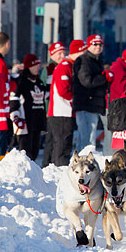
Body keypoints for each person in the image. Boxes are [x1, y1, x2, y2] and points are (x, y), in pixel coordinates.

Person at [46, 39, 86, 167]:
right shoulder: (65, 66)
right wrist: (76, 100)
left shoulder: (69, 66)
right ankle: (59, 170)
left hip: (64, 112)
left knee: (62, 144)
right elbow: (63, 90)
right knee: (62, 145)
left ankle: (55, 168)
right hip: (62, 112)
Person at [73, 34, 108, 153]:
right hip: (85, 103)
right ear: (88, 45)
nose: (98, 47)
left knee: (89, 137)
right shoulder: (84, 60)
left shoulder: (97, 60)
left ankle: (84, 160)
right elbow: (86, 81)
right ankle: (82, 163)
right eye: (95, 44)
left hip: (93, 104)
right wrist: (104, 78)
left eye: (100, 44)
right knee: (87, 139)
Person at [10, 54, 48, 162]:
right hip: (25, 122)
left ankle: (33, 175)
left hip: (37, 121)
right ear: (28, 67)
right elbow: (14, 98)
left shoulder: (39, 82)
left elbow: (45, 96)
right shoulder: (22, 81)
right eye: (34, 65)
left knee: (35, 151)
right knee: (26, 153)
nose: (37, 68)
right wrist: (15, 116)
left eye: (38, 65)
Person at [40, 42, 65, 167]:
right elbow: (46, 91)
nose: (62, 56)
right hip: (50, 110)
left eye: (63, 53)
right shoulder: (50, 68)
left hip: (55, 109)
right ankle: (46, 165)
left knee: (54, 139)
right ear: (52, 54)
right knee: (51, 140)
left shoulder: (59, 67)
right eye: (59, 53)